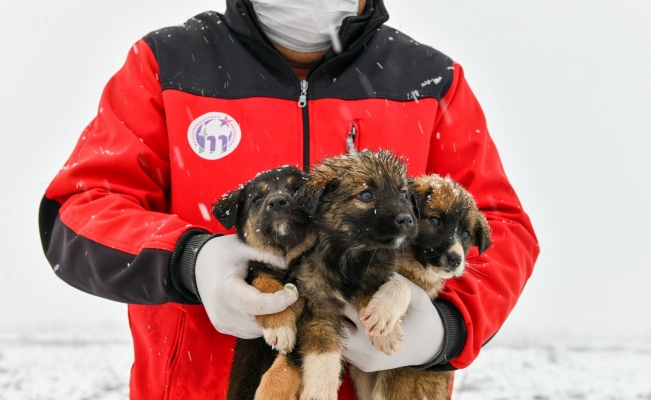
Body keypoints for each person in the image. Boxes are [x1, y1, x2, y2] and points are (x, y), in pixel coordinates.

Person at [38, 0, 539, 399]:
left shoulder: (428, 80)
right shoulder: (167, 63)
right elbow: (78, 211)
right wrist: (191, 260)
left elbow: (502, 227)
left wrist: (446, 326)